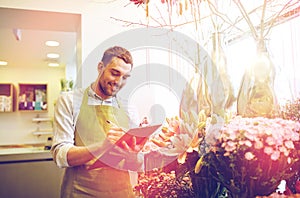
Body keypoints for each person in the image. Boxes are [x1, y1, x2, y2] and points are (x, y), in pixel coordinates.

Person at [51, 46, 143, 198]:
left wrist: (136, 153)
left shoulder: (129, 108)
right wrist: (102, 147)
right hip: (80, 192)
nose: (118, 82)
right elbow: (60, 155)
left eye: (125, 77)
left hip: (121, 192)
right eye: (115, 73)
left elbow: (135, 164)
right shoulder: (69, 101)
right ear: (100, 67)